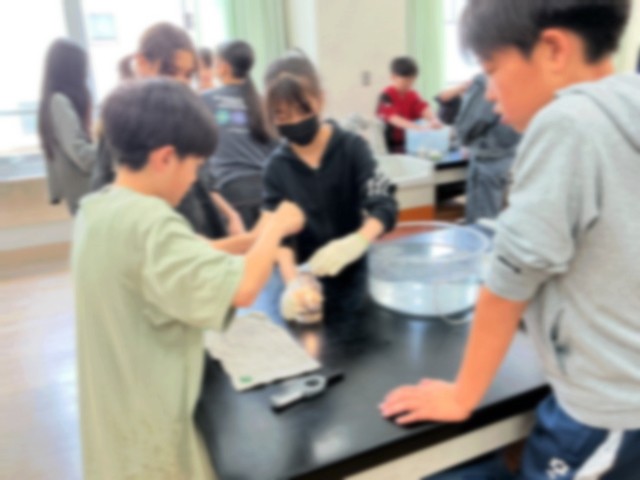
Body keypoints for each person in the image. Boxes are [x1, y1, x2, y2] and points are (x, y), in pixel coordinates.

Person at [380, 1, 640, 478]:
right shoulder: (626, 104)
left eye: (491, 70)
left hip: (605, 411)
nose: (489, 93)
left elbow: (508, 283)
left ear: (554, 50)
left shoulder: (567, 122)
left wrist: (462, 395)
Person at [73, 78, 305, 480]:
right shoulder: (151, 221)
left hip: (113, 417)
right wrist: (276, 227)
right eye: (195, 167)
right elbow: (243, 289)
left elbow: (193, 252)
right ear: (166, 157)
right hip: (150, 429)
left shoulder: (99, 208)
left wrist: (252, 239)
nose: (193, 180)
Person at [263, 53, 398, 318]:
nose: (295, 122)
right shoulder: (276, 169)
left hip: (358, 277)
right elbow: (280, 239)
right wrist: (294, 285)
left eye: (303, 110)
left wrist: (356, 242)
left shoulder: (352, 148)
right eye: (282, 115)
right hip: (307, 281)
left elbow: (384, 203)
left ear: (321, 99)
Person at [89, 22, 244, 238]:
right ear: (142, 63)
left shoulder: (183, 115)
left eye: (188, 75)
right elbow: (105, 193)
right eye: (171, 71)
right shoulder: (124, 123)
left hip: (200, 226)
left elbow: (203, 179)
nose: (180, 81)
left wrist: (230, 213)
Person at [201, 40, 278, 229]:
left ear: (224, 67)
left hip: (230, 195)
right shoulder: (262, 102)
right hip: (268, 192)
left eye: (214, 62)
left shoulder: (205, 100)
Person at [436, 74, 520, 223]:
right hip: (509, 152)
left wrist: (463, 140)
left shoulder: (486, 80)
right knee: (493, 213)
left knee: (482, 219)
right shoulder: (522, 76)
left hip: (487, 156)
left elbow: (474, 119)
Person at [38, 39, 96, 215]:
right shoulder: (59, 102)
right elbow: (81, 155)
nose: (85, 74)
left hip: (83, 198)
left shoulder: (51, 101)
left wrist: (55, 192)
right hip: (88, 197)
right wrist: (113, 147)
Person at [376, 56, 442, 153]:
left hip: (410, 142)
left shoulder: (412, 95)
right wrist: (417, 128)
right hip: (390, 144)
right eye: (405, 82)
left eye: (412, 82)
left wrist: (433, 119)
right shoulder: (386, 96)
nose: (409, 86)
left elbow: (422, 107)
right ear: (393, 77)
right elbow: (393, 118)